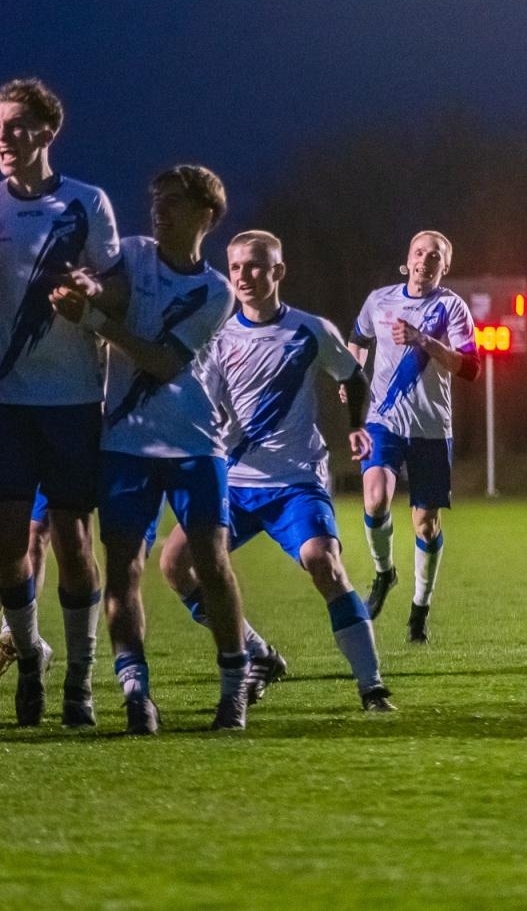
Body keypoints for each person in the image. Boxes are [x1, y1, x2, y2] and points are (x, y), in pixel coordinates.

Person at [0, 77, 122, 727]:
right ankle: (28, 653)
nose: (3, 137)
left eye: (17, 126)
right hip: (8, 401)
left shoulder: (87, 203)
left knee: (75, 541)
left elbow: (113, 291)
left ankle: (80, 679)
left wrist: (89, 296)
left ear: (49, 130)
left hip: (75, 399)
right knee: (2, 546)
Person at [163, 230, 395, 713]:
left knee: (324, 564)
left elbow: (352, 376)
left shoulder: (311, 331)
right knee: (174, 564)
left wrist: (356, 427)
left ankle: (372, 687)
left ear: (278, 272)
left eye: (254, 266)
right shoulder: (219, 337)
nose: (244, 276)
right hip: (234, 482)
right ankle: (255, 652)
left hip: (295, 483)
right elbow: (203, 405)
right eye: (236, 268)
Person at [52, 165, 246, 733]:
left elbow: (163, 362)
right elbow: (104, 287)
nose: (160, 210)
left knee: (211, 562)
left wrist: (92, 319)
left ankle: (234, 686)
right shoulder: (133, 253)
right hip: (125, 443)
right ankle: (136, 692)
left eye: (175, 202)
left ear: (206, 215)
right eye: (156, 199)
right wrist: (88, 290)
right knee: (124, 570)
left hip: (195, 443)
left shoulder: (215, 290)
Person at [350, 230, 480, 645]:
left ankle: (419, 610)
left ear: (445, 267)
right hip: (383, 421)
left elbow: (471, 369)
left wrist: (424, 339)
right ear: (407, 259)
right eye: (419, 252)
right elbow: (357, 340)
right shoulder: (379, 300)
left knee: (425, 526)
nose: (425, 260)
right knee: (374, 497)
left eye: (435, 256)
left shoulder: (452, 308)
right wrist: (350, 376)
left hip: (430, 428)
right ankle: (385, 572)